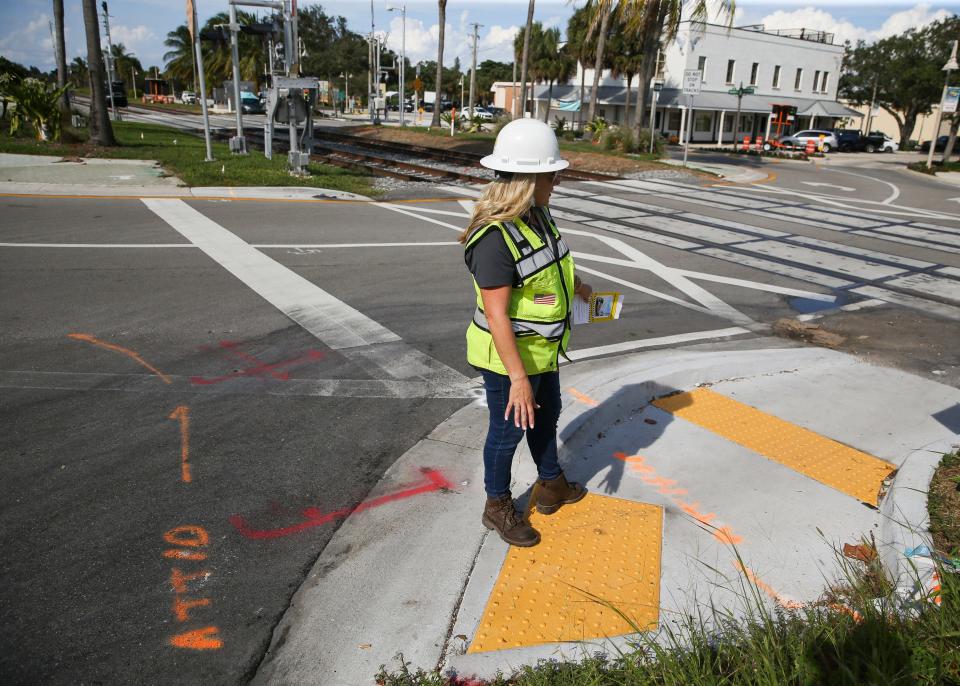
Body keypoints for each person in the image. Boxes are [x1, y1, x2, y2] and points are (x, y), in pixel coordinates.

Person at [459, 118, 593, 547]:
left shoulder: (538, 214)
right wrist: (518, 380)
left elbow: (548, 267)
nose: (557, 181)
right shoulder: (493, 239)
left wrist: (578, 287)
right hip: (508, 359)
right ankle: (496, 506)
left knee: (547, 414)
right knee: (507, 431)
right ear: (529, 179)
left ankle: (551, 482)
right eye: (552, 174)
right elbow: (498, 316)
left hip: (542, 352)